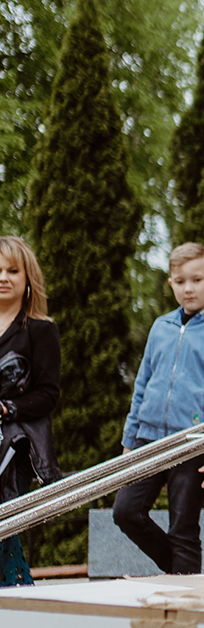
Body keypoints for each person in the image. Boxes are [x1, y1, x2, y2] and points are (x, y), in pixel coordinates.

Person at [114, 243, 204, 575]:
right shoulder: (160, 327)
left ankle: (186, 594)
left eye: (196, 280)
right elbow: (142, 385)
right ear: (171, 283)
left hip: (195, 444)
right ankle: (181, 573)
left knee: (183, 530)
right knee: (126, 512)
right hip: (149, 439)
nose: (188, 288)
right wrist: (129, 441)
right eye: (180, 281)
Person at [0, 237, 62, 586]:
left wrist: (7, 407)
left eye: (12, 270)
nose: (3, 278)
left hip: (15, 446)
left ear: (27, 279)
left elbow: (48, 394)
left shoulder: (41, 329)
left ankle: (17, 595)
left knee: (4, 526)